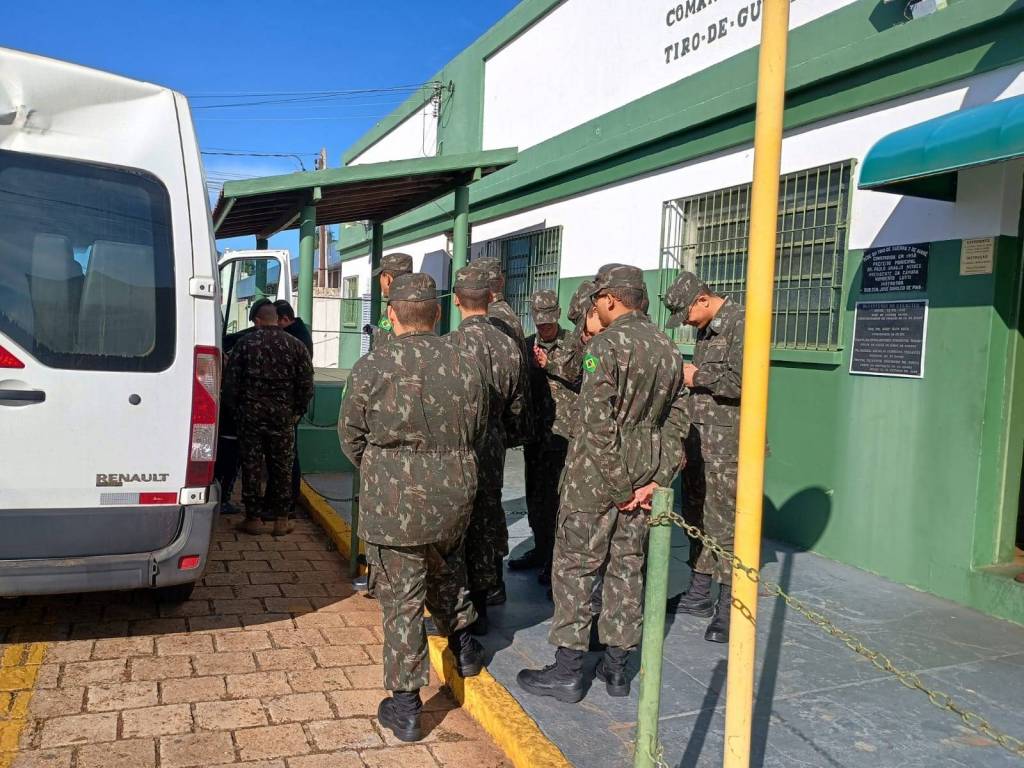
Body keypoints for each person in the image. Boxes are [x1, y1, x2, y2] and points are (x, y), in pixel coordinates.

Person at [517, 265, 688, 703]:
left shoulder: (605, 346)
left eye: (597, 300)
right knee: (627, 566)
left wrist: (619, 486)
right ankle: (616, 668)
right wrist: (656, 479)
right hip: (645, 471)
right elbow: (678, 420)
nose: (595, 307)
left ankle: (569, 670)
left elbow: (596, 424)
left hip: (597, 477)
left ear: (611, 299)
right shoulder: (667, 347)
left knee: (576, 566)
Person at [339, 272, 487, 743]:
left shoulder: (373, 365)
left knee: (402, 599)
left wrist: (384, 470)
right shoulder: (466, 362)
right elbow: (479, 428)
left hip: (395, 502)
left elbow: (350, 435)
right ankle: (465, 647)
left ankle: (405, 706)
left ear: (391, 314)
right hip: (455, 492)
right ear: (437, 313)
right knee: (447, 569)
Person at [663, 271, 744, 644]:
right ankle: (698, 592)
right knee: (696, 516)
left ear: (702, 299)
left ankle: (730, 605)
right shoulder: (707, 328)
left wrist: (698, 377)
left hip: (728, 446)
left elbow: (744, 381)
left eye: (687, 314)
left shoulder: (741, 323)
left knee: (725, 525)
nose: (687, 322)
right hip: (700, 439)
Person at [447, 264, 528, 634]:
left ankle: (464, 605)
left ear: (457, 300)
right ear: (490, 297)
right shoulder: (508, 345)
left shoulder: (451, 345)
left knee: (460, 518)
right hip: (494, 440)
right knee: (489, 511)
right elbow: (517, 404)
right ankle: (488, 591)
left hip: (460, 442)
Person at [472, 256, 533, 606]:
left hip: (485, 430)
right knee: (489, 505)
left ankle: (489, 582)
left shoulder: (495, 322)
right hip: (497, 428)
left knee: (483, 509)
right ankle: (491, 579)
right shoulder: (508, 318)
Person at [224, 302, 314, 537]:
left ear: (258, 321)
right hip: (283, 418)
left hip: (250, 418)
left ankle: (253, 519)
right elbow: (306, 384)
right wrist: (296, 411)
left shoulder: (245, 344)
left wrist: (237, 411)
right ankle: (282, 520)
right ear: (276, 319)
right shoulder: (296, 346)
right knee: (282, 467)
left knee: (251, 466)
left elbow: (231, 383)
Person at [511, 290, 572, 584]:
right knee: (535, 498)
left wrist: (551, 365)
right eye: (540, 322)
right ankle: (540, 549)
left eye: (549, 321)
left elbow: (584, 378)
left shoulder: (573, 344)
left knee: (557, 501)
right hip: (535, 436)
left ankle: (555, 560)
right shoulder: (526, 345)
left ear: (557, 314)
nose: (545, 327)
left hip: (563, 435)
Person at [274, 299, 313, 510]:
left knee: (288, 456)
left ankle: (287, 501)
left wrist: (298, 409)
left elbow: (304, 379)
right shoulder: (298, 333)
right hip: (289, 405)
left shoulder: (295, 339)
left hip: (289, 406)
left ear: (284, 319)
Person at [369, 252, 413, 350]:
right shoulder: (419, 305)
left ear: (387, 279)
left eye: (381, 276)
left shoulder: (394, 308)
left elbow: (383, 347)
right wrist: (377, 331)